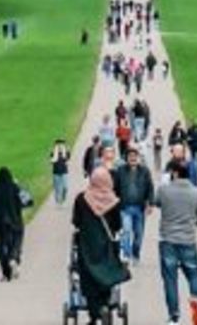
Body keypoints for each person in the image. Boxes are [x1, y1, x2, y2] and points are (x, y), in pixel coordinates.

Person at [73, 167, 129, 324]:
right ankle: (105, 304)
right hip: (107, 245)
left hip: (86, 245)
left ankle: (94, 313)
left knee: (88, 278)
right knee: (106, 275)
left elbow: (76, 221)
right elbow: (118, 225)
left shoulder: (81, 199)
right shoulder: (113, 201)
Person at [154, 158, 197, 325]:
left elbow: (156, 202)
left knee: (170, 278)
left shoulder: (164, 189)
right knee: (194, 272)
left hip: (168, 238)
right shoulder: (196, 192)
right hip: (188, 239)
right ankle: (195, 296)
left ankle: (174, 315)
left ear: (174, 173)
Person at [114, 146, 155, 261]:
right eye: (130, 156)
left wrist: (150, 204)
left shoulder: (144, 171)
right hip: (125, 207)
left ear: (138, 158)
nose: (132, 158)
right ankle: (127, 254)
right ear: (126, 158)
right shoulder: (120, 171)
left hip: (139, 208)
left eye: (134, 156)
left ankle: (135, 253)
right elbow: (115, 188)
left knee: (139, 234)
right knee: (126, 231)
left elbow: (150, 188)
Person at [0, 166, 26, 282]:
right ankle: (14, 258)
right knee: (16, 244)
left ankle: (6, 273)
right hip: (16, 222)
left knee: (1, 248)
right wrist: (19, 186)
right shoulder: (15, 189)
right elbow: (28, 201)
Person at [51, 138, 73, 204]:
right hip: (56, 172)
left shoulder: (65, 153)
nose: (60, 146)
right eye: (58, 144)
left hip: (64, 172)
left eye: (61, 144)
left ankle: (63, 198)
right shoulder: (53, 153)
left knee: (65, 187)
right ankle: (57, 200)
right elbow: (51, 161)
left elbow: (68, 158)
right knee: (57, 188)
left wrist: (67, 150)